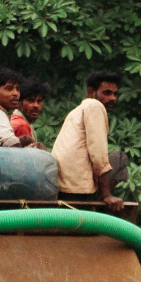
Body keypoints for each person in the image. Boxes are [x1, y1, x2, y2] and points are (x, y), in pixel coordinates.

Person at [54, 70, 122, 211]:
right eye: (107, 93)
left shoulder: (78, 110)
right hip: (78, 189)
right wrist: (106, 194)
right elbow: (98, 154)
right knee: (120, 158)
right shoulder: (94, 106)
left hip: (62, 185)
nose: (112, 98)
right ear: (91, 92)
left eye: (115, 94)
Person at [13, 78, 49, 148]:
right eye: (31, 101)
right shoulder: (21, 126)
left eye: (39, 101)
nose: (36, 105)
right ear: (19, 103)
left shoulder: (15, 119)